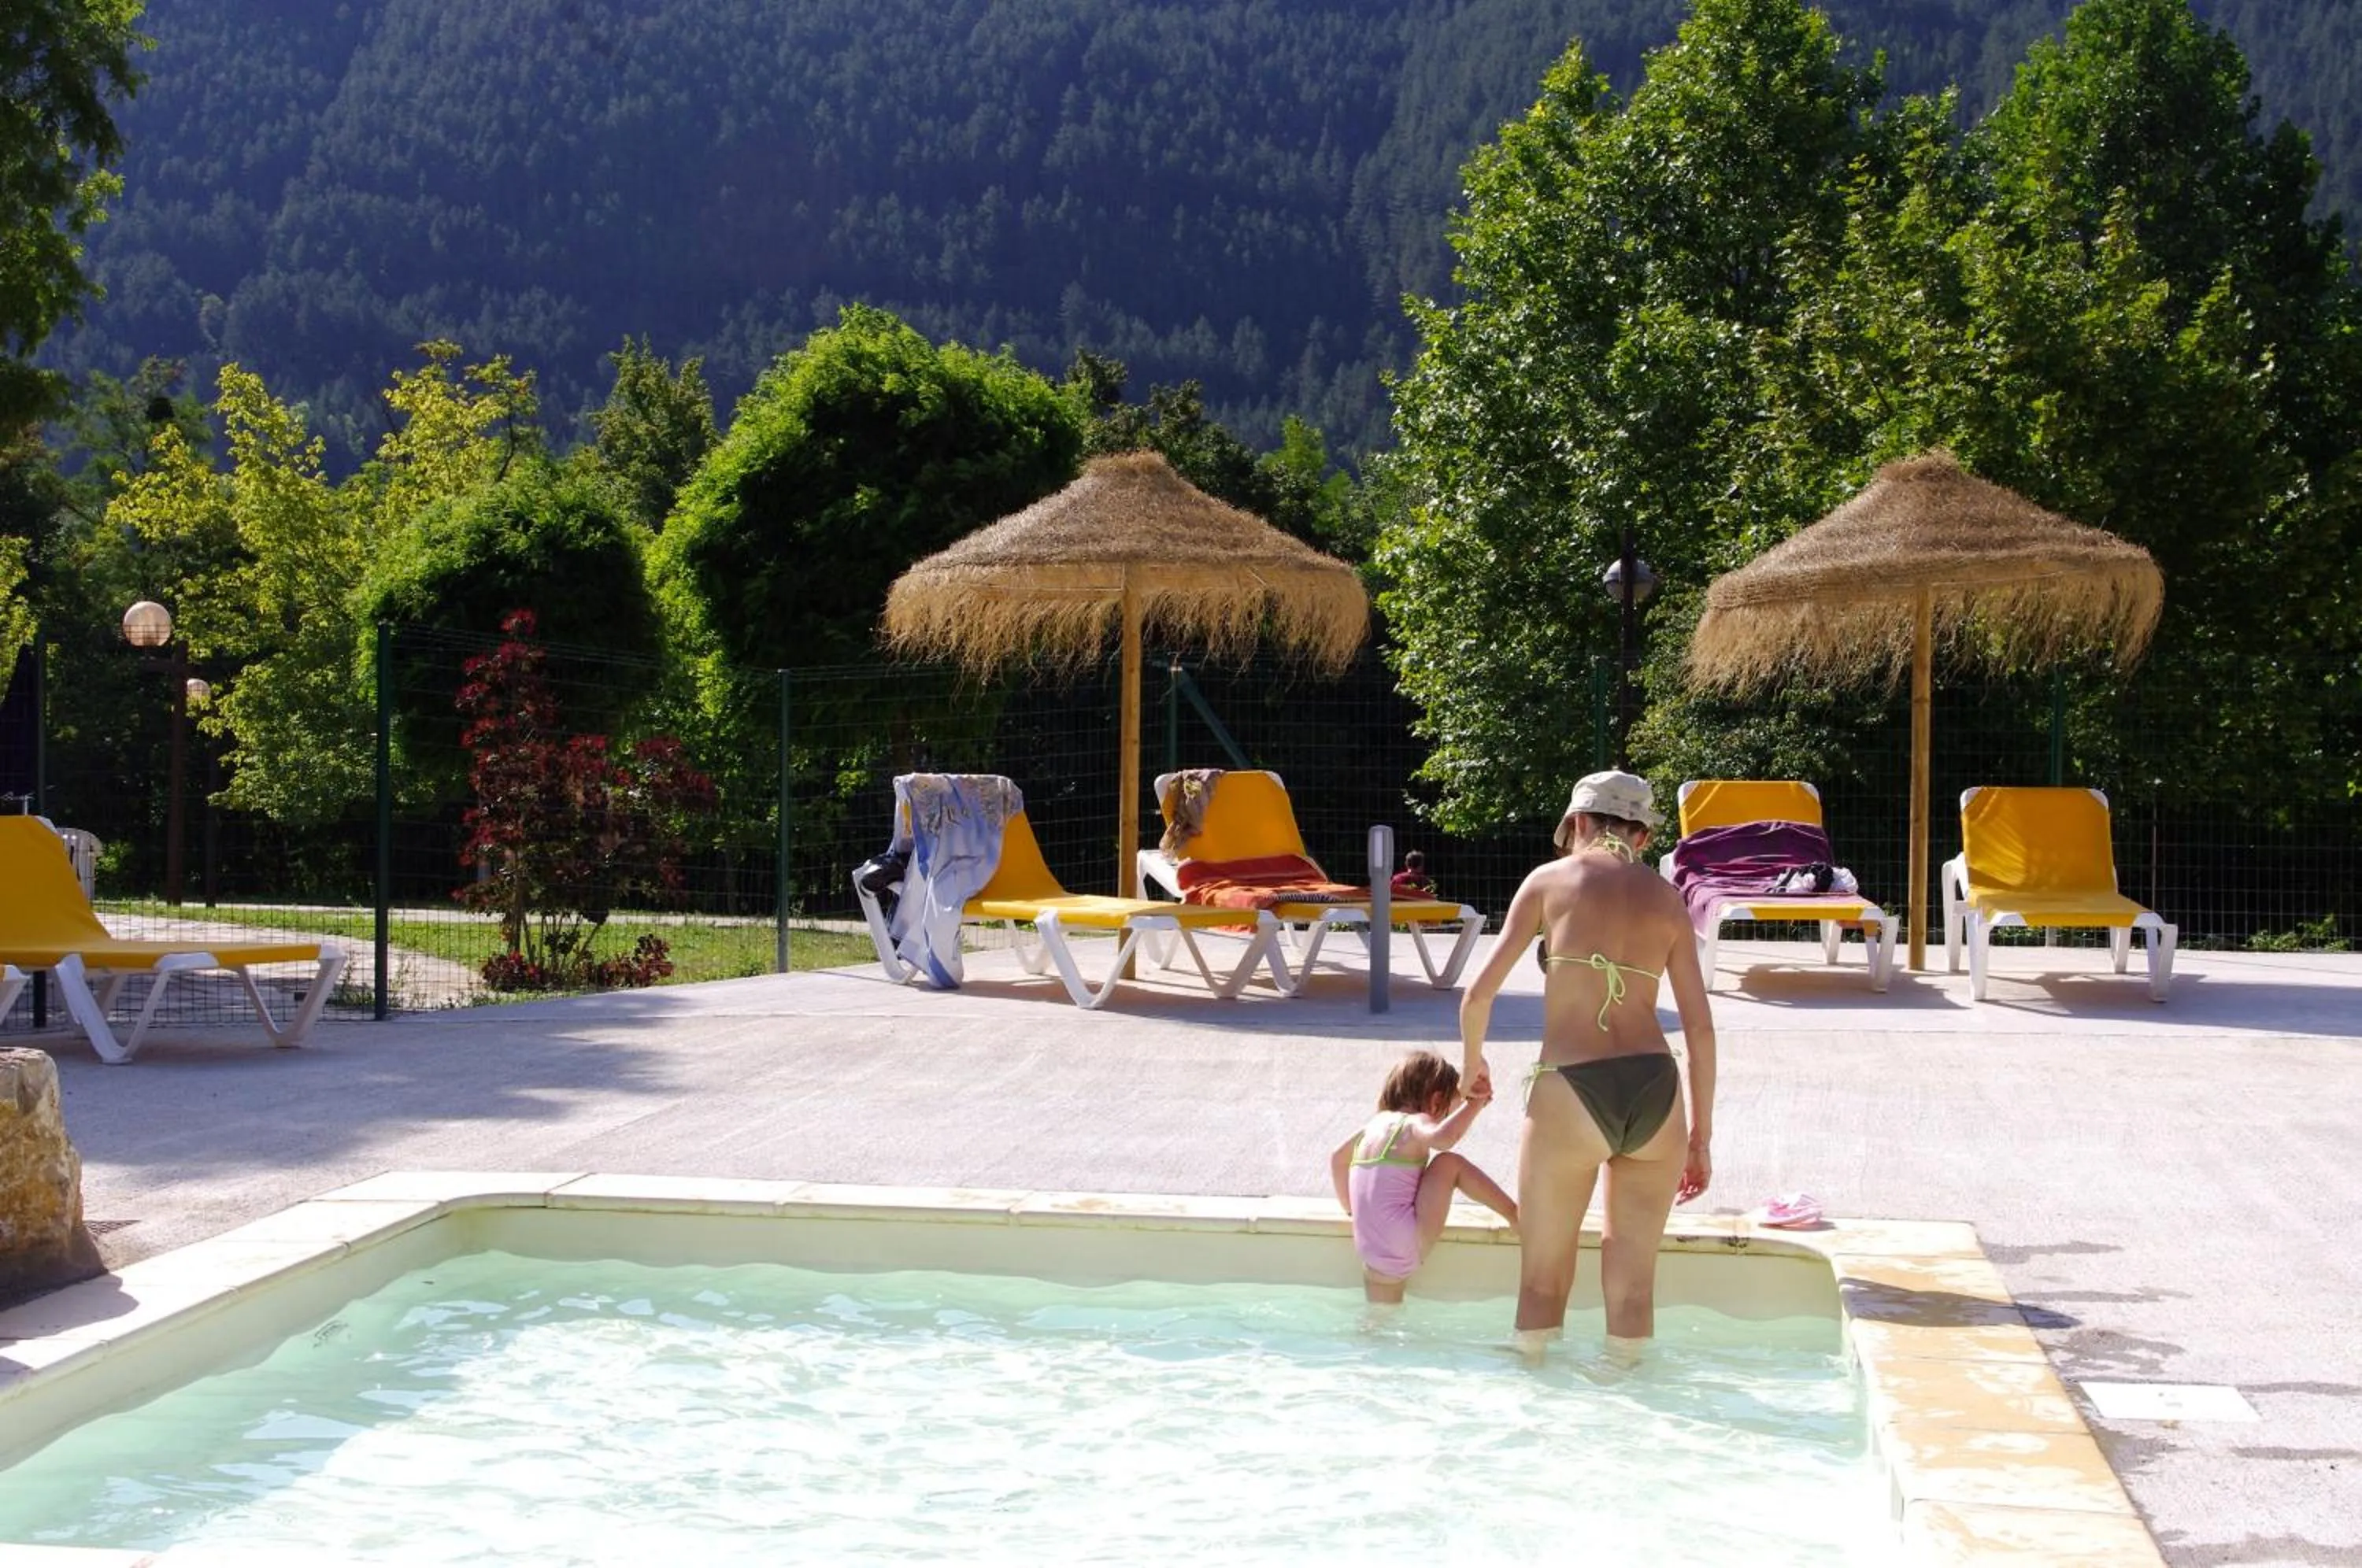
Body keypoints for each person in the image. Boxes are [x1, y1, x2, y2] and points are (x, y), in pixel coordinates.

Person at [1458, 770, 1716, 1361]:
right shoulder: (1668, 899)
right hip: (1657, 1090)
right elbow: (1700, 1029)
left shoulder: (1550, 881)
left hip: (1571, 1088)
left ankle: (1538, 1413)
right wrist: (1700, 1137)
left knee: (1543, 1281)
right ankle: (1630, 1418)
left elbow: (1477, 996)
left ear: (1577, 823)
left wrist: (1473, 1067)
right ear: (1643, 836)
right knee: (1632, 1291)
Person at [1331, 1048, 1519, 1304]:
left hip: (1369, 1247)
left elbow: (1337, 1159)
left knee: (1381, 1319)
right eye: (1447, 1111)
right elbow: (1444, 1139)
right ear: (1435, 1101)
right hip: (1404, 1244)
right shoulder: (1414, 1123)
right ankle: (1514, 1215)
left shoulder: (1372, 1126)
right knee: (1448, 1164)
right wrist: (1475, 1104)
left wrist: (1352, 1209)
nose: (1445, 1118)